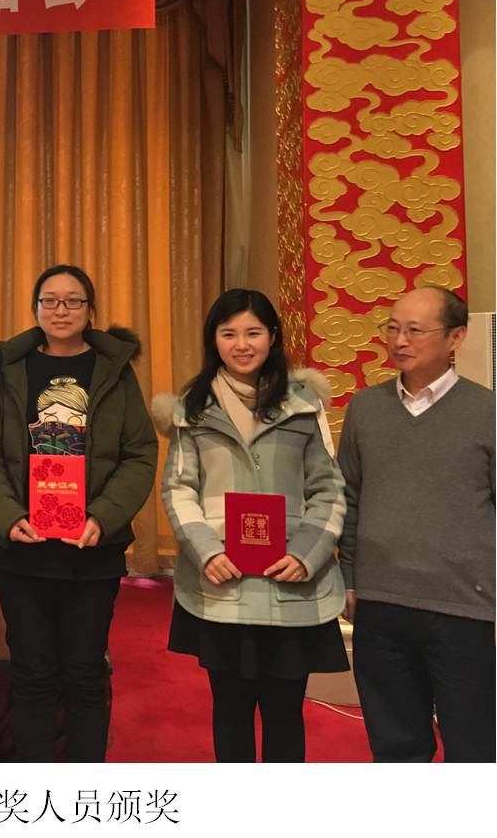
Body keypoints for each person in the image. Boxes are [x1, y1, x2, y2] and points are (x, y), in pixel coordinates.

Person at [0, 264, 157, 761]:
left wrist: (103, 517)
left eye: (74, 301)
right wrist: (7, 515)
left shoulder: (115, 371)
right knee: (31, 672)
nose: (61, 310)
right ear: (35, 309)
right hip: (21, 549)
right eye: (49, 300)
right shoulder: (6, 369)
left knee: (85, 672)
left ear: (91, 310)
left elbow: (139, 452)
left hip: (92, 549)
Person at [154, 288, 348, 762]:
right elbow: (178, 488)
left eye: (253, 333)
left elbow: (328, 488)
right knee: (231, 711)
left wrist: (306, 554)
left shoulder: (304, 405)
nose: (242, 345)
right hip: (223, 583)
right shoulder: (192, 408)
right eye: (229, 334)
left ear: (273, 337)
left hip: (290, 582)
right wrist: (207, 551)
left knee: (285, 713)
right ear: (213, 340)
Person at [337, 286, 495, 762]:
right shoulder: (366, 408)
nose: (400, 340)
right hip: (380, 603)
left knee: (474, 746)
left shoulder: (486, 412)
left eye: (415, 330)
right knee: (396, 747)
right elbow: (348, 497)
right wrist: (349, 578)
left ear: (456, 337)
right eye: (393, 328)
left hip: (464, 608)